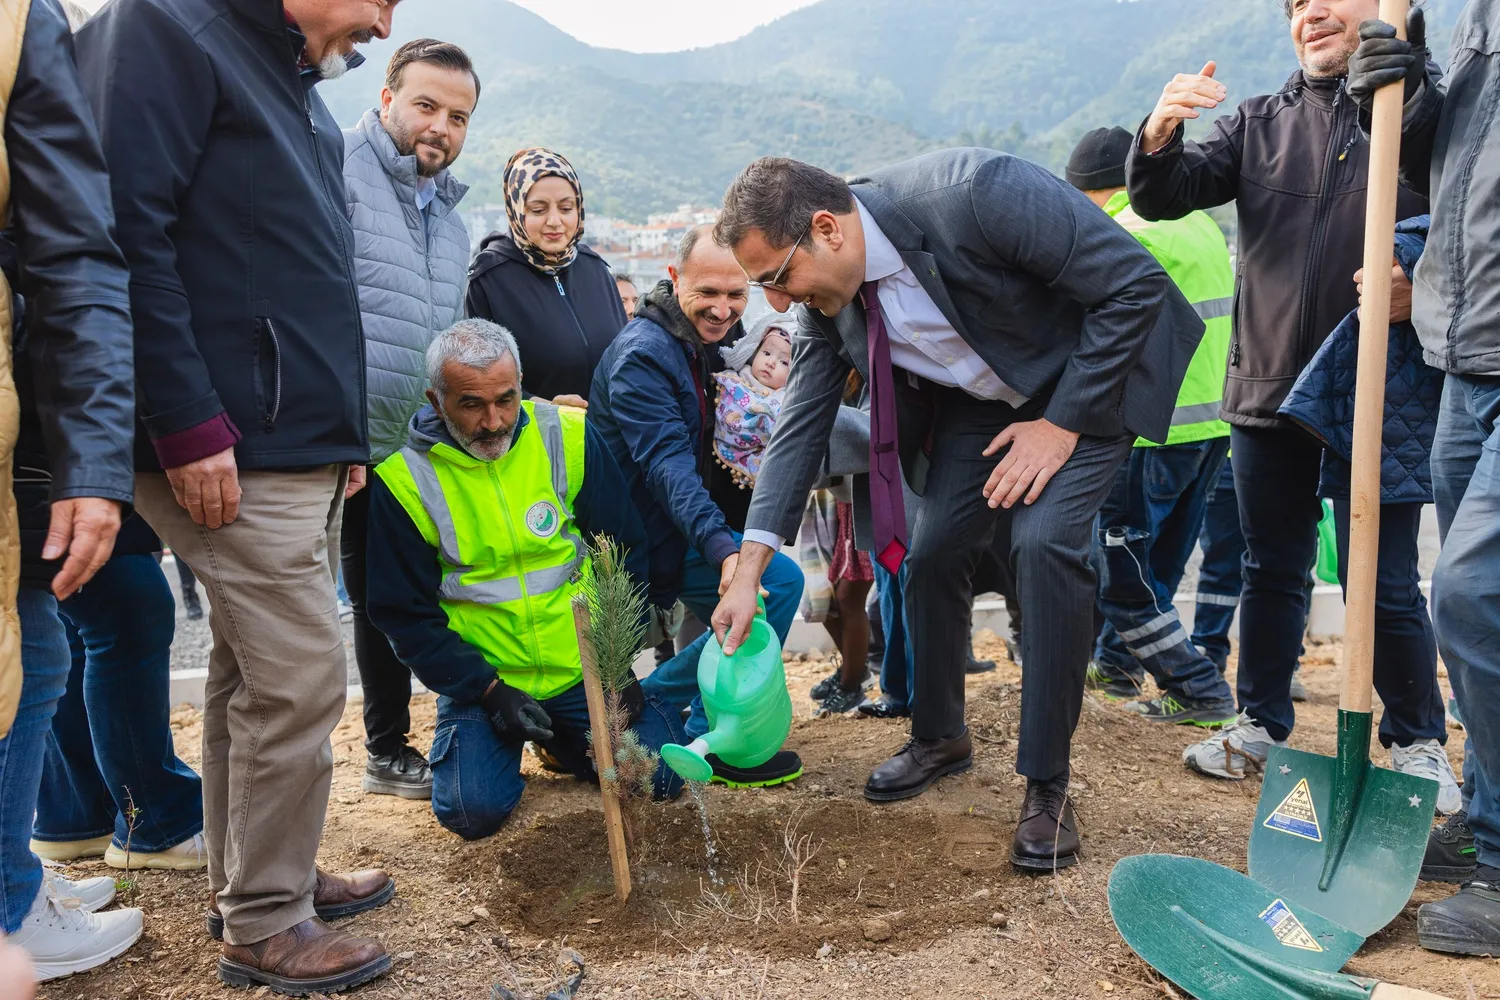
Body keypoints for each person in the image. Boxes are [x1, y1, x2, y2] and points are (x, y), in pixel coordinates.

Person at [710, 151, 1203, 871]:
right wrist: (749, 568)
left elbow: (1135, 286)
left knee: (1044, 545)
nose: (777, 304)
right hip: (985, 402)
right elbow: (800, 426)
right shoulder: (832, 302)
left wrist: (1060, 424)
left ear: (828, 229)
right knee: (931, 547)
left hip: (1088, 382)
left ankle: (1047, 787)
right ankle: (940, 736)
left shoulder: (979, 193)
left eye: (778, 277)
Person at [76, 0, 404, 991]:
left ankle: (262, 874)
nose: (386, 25)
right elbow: (126, 228)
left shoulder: (288, 79)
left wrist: (338, 431)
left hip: (286, 437)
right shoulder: (167, 28)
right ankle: (265, 921)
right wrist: (183, 422)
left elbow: (291, 266)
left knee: (246, 668)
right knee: (301, 669)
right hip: (226, 435)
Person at [1126, 0, 1451, 789]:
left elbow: (1470, 221)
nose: (1310, 13)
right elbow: (1165, 194)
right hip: (1267, 388)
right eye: (1297, 4)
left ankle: (1417, 743)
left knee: (1389, 578)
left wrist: (1427, 282)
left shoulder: (1420, 112)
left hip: (1377, 386)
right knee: (1272, 570)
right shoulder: (1258, 121)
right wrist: (1159, 133)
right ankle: (1261, 723)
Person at [365, 320, 684, 837]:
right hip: (490, 683)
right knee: (471, 811)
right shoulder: (403, 481)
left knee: (659, 778)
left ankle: (565, 740)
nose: (494, 422)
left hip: (584, 668)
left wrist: (613, 661)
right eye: (471, 405)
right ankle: (532, 739)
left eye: (506, 400)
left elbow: (624, 552)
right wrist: (488, 690)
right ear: (436, 398)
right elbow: (404, 615)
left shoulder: (570, 435)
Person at [1347, 0, 1500, 954]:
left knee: (1475, 590)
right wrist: (1402, 98)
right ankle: (1487, 806)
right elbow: (1451, 166)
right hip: (1464, 347)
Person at [0, 0, 144, 979]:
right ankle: (14, 906)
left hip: (21, 423)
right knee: (40, 652)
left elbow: (66, 249)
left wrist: (89, 458)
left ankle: (15, 882)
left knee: (37, 648)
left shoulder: (24, 24)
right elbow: (72, 250)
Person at [590, 226, 805, 788]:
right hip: (639, 540)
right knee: (657, 782)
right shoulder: (644, 355)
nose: (723, 308)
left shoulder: (701, 344)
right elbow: (666, 466)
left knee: (776, 581)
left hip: (678, 528)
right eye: (708, 291)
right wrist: (725, 551)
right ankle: (660, 699)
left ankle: (715, 731)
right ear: (674, 278)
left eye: (737, 295)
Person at [1064, 126, 1238, 727]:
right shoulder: (1199, 222)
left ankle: (1199, 690)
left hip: (1146, 430)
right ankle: (1114, 668)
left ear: (1091, 192)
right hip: (1212, 427)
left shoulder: (1121, 232)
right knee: (1159, 563)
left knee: (1122, 578)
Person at [342, 37, 478, 801]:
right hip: (344, 440)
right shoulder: (340, 172)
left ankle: (402, 740)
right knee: (371, 600)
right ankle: (385, 747)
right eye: (427, 105)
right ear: (388, 98)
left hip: (410, 447)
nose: (441, 127)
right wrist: (340, 428)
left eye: (458, 116)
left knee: (406, 592)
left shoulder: (451, 220)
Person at [465, 147, 627, 406]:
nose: (555, 221)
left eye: (566, 208)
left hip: (608, 439)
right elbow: (476, 380)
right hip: (535, 437)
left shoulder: (594, 268)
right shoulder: (489, 279)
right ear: (516, 212)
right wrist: (541, 406)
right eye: (539, 210)